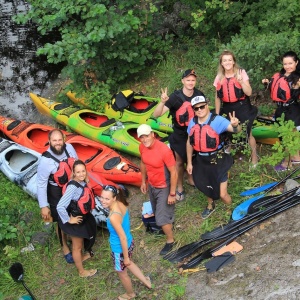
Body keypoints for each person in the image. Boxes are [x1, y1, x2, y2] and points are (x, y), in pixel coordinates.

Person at [153, 69, 205, 201]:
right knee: (180, 161)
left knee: (194, 158)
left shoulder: (199, 95)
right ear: (182, 81)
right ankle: (180, 187)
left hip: (195, 132)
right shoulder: (175, 97)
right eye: (188, 80)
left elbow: (204, 113)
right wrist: (162, 102)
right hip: (180, 134)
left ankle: (191, 178)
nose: (190, 82)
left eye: (193, 80)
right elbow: (156, 114)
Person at [186, 96, 241, 219]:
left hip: (218, 158)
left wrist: (236, 125)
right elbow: (189, 143)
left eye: (202, 106)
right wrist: (189, 162)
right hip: (201, 160)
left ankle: (231, 211)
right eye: (196, 108)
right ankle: (210, 205)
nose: (199, 110)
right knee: (206, 184)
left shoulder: (217, 120)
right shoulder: (192, 122)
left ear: (207, 105)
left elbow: (236, 130)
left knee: (223, 194)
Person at [100, 185, 152, 300]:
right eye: (102, 197)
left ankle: (130, 294)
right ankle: (147, 282)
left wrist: (126, 257)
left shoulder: (113, 217)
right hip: (129, 242)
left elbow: (121, 237)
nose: (103, 201)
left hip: (120, 249)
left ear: (114, 198)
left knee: (123, 274)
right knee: (130, 264)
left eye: (107, 199)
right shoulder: (121, 203)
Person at [37, 129, 78, 263]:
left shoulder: (70, 148)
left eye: (60, 140)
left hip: (70, 186)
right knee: (60, 220)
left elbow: (77, 165)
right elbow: (41, 184)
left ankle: (74, 235)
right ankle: (65, 246)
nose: (58, 143)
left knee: (73, 210)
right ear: (49, 141)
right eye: (54, 140)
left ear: (64, 140)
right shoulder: (45, 161)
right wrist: (44, 206)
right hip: (56, 191)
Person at [138, 124, 178, 255]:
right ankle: (167, 225)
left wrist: (172, 193)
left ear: (153, 134)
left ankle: (170, 240)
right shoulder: (142, 147)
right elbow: (143, 163)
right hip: (152, 185)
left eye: (147, 135)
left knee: (161, 217)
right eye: (142, 137)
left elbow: (174, 172)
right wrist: (144, 181)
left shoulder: (164, 150)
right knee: (156, 211)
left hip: (164, 186)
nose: (145, 139)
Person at [214, 50, 258, 168]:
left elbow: (249, 92)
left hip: (242, 105)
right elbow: (217, 97)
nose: (227, 62)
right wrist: (217, 114)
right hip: (227, 107)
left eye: (229, 60)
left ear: (233, 61)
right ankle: (229, 152)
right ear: (221, 63)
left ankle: (254, 158)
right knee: (228, 131)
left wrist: (241, 82)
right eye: (225, 60)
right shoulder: (219, 77)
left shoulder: (241, 73)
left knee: (248, 132)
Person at [57, 160, 97, 278]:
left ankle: (82, 257)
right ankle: (81, 272)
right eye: (78, 172)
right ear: (73, 173)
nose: (81, 174)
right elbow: (60, 206)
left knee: (81, 243)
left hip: (81, 216)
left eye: (83, 171)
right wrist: (69, 220)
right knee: (77, 246)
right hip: (74, 220)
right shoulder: (73, 187)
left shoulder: (82, 182)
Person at [262, 51, 300, 171]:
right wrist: (267, 83)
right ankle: (296, 158)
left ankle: (286, 163)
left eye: (291, 63)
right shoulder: (279, 75)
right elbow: (275, 91)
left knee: (289, 137)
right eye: (285, 63)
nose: (288, 66)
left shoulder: (297, 79)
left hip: (292, 110)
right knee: (285, 137)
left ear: (296, 63)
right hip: (281, 109)